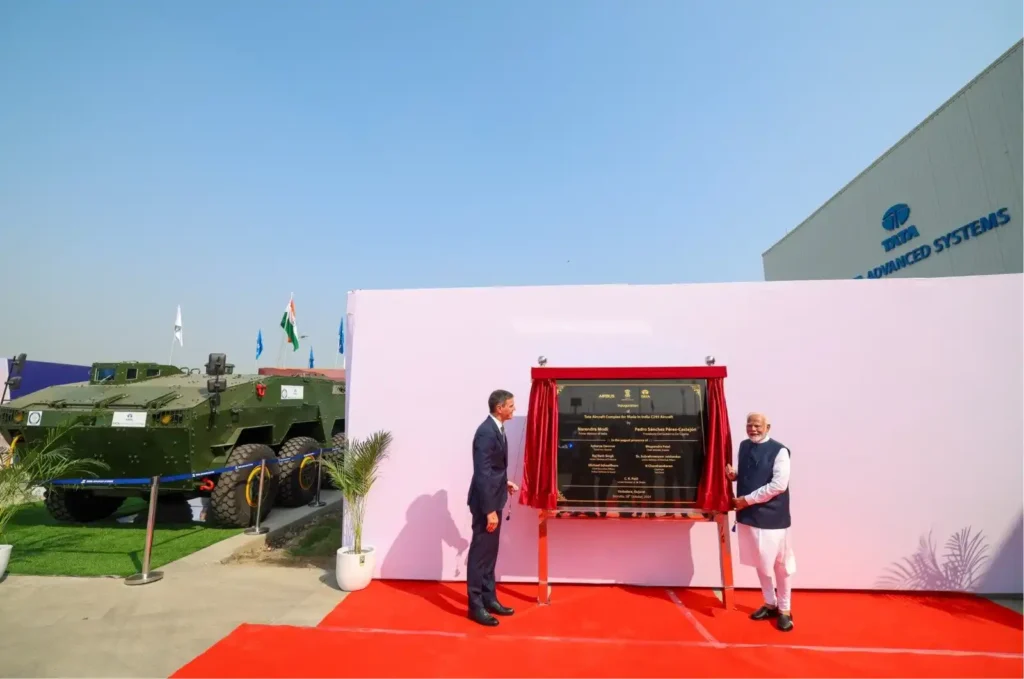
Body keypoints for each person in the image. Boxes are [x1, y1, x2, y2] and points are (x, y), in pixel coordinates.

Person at [726, 412, 796, 632]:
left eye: (757, 425)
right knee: (760, 562)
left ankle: (784, 610)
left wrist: (746, 500)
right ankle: (769, 603)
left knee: (780, 565)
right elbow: (752, 472)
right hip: (749, 516)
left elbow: (778, 485)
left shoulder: (780, 451)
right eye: (749, 425)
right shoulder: (744, 446)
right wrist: (735, 475)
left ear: (768, 427)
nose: (753, 429)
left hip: (772, 516)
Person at [466, 389, 519, 626]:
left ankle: (489, 599)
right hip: (485, 505)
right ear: (499, 408)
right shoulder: (486, 432)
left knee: (490, 555)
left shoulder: (497, 429)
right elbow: (481, 473)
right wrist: (489, 511)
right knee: (480, 556)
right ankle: (475, 606)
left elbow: (493, 469)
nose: (513, 409)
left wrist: (503, 482)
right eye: (511, 405)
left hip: (494, 498)